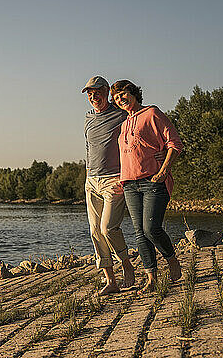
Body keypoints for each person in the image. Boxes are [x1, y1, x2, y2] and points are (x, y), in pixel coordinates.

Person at [110, 79, 183, 294]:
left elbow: (174, 143)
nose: (120, 99)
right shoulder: (124, 124)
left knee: (151, 228)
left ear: (133, 93)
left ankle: (172, 261)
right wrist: (122, 178)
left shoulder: (152, 113)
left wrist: (163, 170)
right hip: (130, 185)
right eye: (116, 97)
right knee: (140, 233)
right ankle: (151, 278)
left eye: (123, 94)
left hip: (153, 181)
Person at [82, 76, 136, 295]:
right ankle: (110, 281)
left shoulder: (121, 115)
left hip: (113, 179)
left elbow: (136, 136)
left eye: (97, 92)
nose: (93, 96)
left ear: (107, 92)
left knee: (108, 228)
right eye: (89, 93)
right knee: (95, 232)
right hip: (91, 181)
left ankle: (126, 264)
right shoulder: (87, 118)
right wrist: (87, 176)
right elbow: (89, 149)